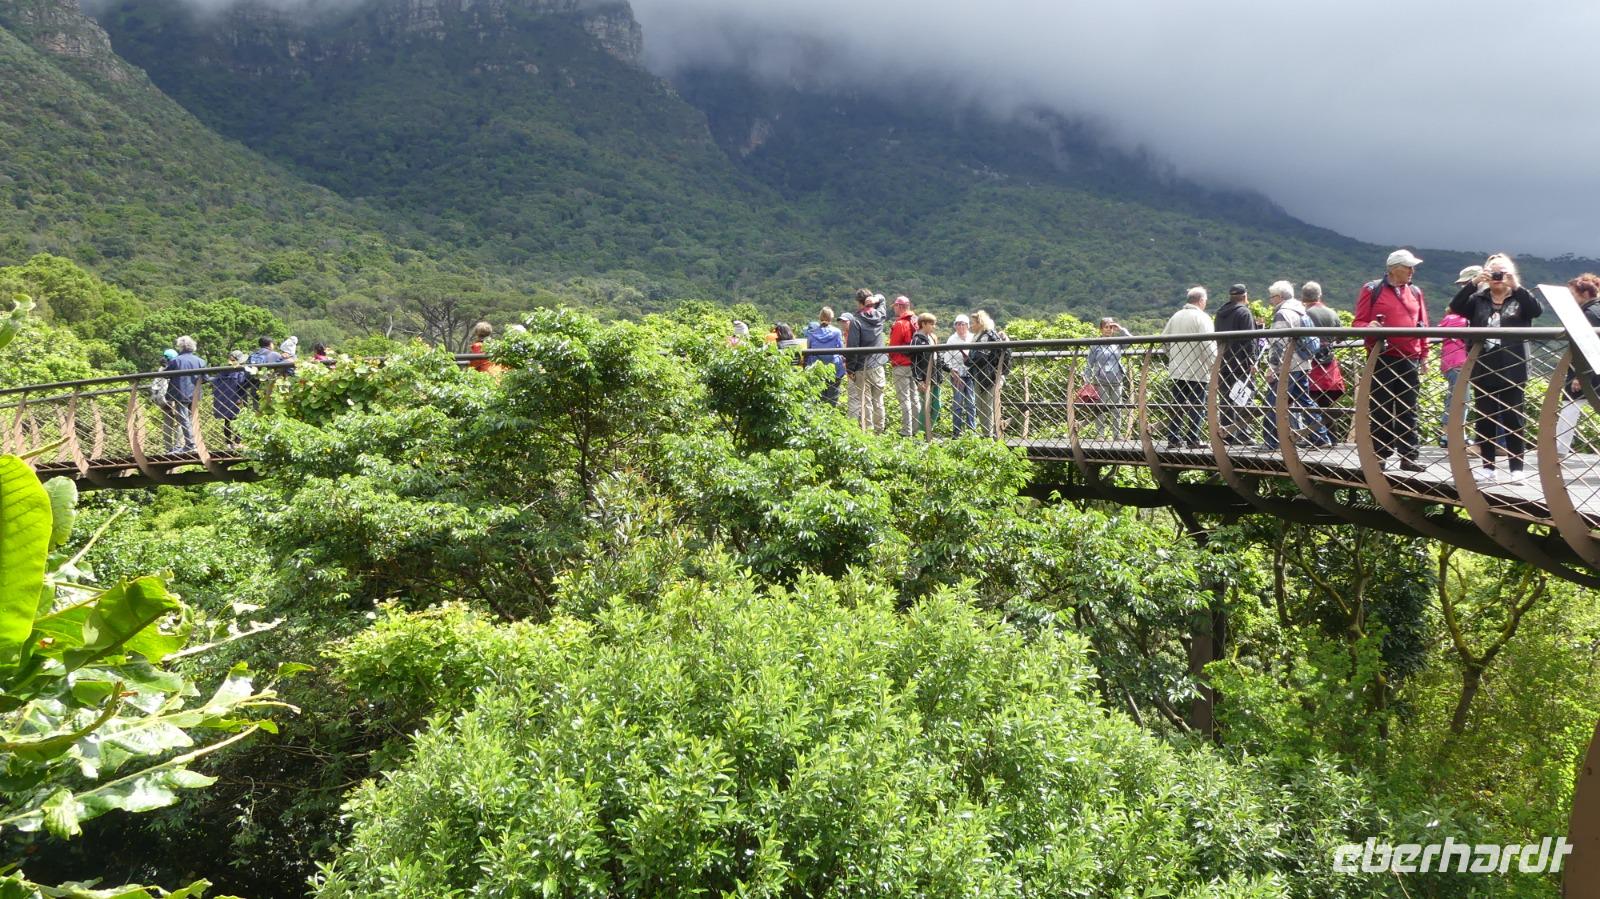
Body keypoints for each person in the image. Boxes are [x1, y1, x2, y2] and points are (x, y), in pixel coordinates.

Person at [1449, 254, 1543, 484]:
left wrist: (1516, 286)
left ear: (1511, 274)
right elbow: (1456, 307)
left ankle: (1516, 468)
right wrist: (1473, 283)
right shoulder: (1478, 299)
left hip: (1513, 367)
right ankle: (1488, 467)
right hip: (1484, 366)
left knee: (1513, 417)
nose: (1497, 278)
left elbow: (1536, 310)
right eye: (1493, 273)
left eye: (1502, 273)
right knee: (1486, 418)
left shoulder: (1520, 298)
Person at [1353, 249, 1430, 472]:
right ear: (1394, 268)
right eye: (1408, 267)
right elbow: (1358, 323)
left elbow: (1423, 325)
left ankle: (1409, 456)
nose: (1412, 271)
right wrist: (1369, 327)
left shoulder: (1415, 292)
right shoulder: (1372, 289)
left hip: (1410, 356)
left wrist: (1424, 355)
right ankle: (1380, 456)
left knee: (1409, 406)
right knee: (1381, 407)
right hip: (1382, 356)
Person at [1260, 281, 1332, 450]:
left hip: (1288, 366)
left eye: (1271, 297)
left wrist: (1273, 368)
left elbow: (1278, 343)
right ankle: (1321, 436)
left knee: (1273, 402)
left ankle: (1272, 442)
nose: (1270, 301)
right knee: (1304, 400)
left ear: (1278, 297)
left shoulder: (1282, 314)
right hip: (1303, 363)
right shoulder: (1301, 311)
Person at [1161, 287, 1216, 449]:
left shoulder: (1176, 316)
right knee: (1197, 405)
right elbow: (1209, 345)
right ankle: (1193, 438)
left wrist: (1173, 356)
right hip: (1197, 370)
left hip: (1178, 369)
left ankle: (1173, 437)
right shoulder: (1202, 318)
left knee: (1177, 404)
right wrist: (1215, 366)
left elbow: (1164, 339)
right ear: (1201, 301)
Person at [1556, 273, 1600, 456]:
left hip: (1587, 369)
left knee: (1570, 408)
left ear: (1584, 294)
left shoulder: (1589, 314)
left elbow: (1586, 345)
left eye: (1573, 294)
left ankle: (1559, 450)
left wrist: (1579, 375)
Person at [1436, 266, 1480, 447]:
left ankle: (1448, 434)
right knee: (1462, 400)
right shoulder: (1466, 318)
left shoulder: (1449, 318)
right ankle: (1454, 436)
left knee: (1454, 397)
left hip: (1449, 364)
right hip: (1462, 363)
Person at [1301, 282, 1347, 441]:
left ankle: (1317, 439)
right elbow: (1342, 338)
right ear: (1320, 295)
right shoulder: (1332, 313)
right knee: (1327, 406)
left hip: (1311, 364)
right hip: (1329, 366)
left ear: (1303, 297)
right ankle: (1333, 441)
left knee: (1310, 405)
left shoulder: (1305, 314)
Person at [1214, 284, 1257, 444]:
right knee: (1244, 397)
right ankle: (1243, 434)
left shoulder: (1220, 313)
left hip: (1224, 362)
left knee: (1226, 399)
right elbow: (1249, 340)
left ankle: (1227, 435)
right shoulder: (1244, 312)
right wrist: (1252, 361)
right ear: (1245, 296)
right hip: (1241, 363)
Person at [844, 290, 887, 433]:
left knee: (865, 401)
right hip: (878, 364)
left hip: (862, 366)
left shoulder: (856, 321)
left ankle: (868, 432)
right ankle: (880, 431)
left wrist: (850, 369)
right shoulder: (879, 315)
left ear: (859, 302)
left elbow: (852, 347)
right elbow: (883, 299)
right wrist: (876, 299)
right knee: (878, 400)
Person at [1086, 317, 1132, 437]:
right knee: (1101, 407)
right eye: (1106, 327)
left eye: (1111, 327)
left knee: (1117, 407)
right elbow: (1089, 363)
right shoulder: (1096, 344)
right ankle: (1100, 434)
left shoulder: (1117, 343)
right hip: (1101, 380)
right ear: (1101, 329)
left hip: (1117, 378)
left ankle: (1117, 435)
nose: (1109, 330)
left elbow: (1130, 340)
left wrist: (1121, 329)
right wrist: (1087, 379)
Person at [161, 335, 207, 453]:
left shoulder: (176, 360)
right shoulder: (200, 361)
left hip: (180, 394)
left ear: (181, 347)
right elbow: (205, 378)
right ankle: (193, 444)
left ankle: (190, 445)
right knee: (191, 418)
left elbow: (165, 374)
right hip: (195, 395)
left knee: (183, 418)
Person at [967, 310, 1008, 438]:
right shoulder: (981, 335)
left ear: (980, 323)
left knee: (985, 405)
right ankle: (988, 433)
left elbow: (982, 357)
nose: (970, 326)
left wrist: (969, 361)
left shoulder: (985, 336)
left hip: (986, 376)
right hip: (983, 375)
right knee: (983, 405)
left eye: (972, 323)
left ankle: (988, 434)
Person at [887, 295, 920, 436]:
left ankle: (906, 431)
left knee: (904, 399)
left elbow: (893, 346)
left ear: (900, 306)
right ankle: (918, 430)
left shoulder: (900, 324)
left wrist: (891, 358)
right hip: (915, 364)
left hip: (901, 364)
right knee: (915, 398)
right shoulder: (916, 321)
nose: (894, 309)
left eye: (895, 306)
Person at [909, 312, 945, 437]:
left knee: (936, 405)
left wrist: (948, 370)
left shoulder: (933, 337)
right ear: (923, 324)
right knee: (926, 405)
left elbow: (938, 357)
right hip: (925, 378)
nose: (933, 327)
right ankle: (922, 433)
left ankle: (927, 430)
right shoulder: (917, 340)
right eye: (931, 324)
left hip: (935, 377)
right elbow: (914, 362)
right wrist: (918, 380)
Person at [209, 350, 252, 447]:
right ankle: (238, 442)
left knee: (227, 420)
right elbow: (243, 383)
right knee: (240, 420)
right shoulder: (239, 371)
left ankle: (228, 443)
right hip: (237, 398)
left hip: (224, 399)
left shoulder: (223, 370)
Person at [803, 308, 845, 404]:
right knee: (833, 396)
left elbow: (808, 349)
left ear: (820, 317)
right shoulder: (837, 332)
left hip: (817, 368)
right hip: (834, 368)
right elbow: (841, 349)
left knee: (818, 396)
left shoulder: (812, 333)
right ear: (831, 318)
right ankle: (832, 415)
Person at [944, 313, 976, 437]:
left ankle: (971, 431)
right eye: (958, 324)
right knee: (958, 403)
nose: (960, 327)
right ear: (955, 326)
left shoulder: (972, 338)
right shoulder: (951, 340)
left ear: (967, 326)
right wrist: (952, 370)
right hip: (957, 374)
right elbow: (947, 358)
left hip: (970, 373)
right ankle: (956, 432)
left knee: (971, 402)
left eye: (963, 324)